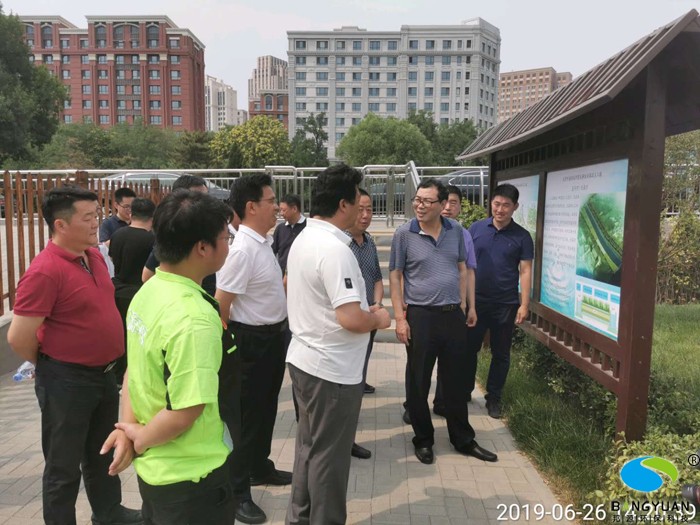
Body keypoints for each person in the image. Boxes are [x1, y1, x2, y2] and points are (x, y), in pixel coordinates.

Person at [8, 185, 141, 525]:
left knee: (102, 454)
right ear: (61, 225)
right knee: (63, 466)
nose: (96, 222)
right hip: (66, 381)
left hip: (103, 374)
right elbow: (18, 336)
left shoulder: (93, 255)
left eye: (96, 215)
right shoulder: (44, 271)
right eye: (88, 217)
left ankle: (109, 513)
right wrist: (51, 365)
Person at [112, 190, 235, 524]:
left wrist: (128, 428)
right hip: (191, 479)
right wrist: (137, 438)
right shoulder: (192, 317)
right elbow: (186, 410)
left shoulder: (149, 291)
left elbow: (132, 372)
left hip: (156, 472)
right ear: (202, 248)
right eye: (226, 236)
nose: (229, 243)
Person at [285, 164, 390, 525]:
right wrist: (378, 317)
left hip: (306, 360)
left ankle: (299, 518)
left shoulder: (305, 238)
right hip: (330, 372)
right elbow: (351, 319)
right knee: (330, 459)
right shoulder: (334, 249)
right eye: (357, 201)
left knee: (309, 451)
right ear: (343, 204)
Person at [389, 178, 496, 465]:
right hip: (421, 317)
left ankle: (463, 439)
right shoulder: (404, 234)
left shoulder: (456, 231)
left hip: (452, 315)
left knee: (456, 382)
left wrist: (467, 305)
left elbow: (462, 268)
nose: (419, 206)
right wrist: (400, 318)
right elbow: (396, 276)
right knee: (418, 381)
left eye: (426, 201)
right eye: (417, 200)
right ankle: (423, 440)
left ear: (442, 204)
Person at [215, 174, 291, 525]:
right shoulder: (241, 250)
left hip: (273, 340)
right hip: (250, 343)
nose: (276, 206)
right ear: (250, 207)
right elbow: (221, 306)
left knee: (265, 410)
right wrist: (232, 350)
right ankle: (238, 491)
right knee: (245, 419)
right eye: (271, 200)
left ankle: (260, 467)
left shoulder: (262, 242)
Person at [466, 183, 534, 419]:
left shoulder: (522, 237)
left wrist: (524, 304)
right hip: (475, 302)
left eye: (506, 205)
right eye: (496, 204)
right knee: (468, 349)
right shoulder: (475, 229)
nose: (500, 209)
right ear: (490, 204)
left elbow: (525, 271)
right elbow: (464, 265)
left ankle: (494, 397)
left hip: (505, 304)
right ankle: (465, 391)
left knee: (501, 353)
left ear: (515, 207)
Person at [432, 185, 478, 415]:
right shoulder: (416, 230)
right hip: (425, 308)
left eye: (454, 203)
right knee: (419, 363)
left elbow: (468, 271)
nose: (449, 208)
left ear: (460, 207)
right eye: (445, 202)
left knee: (449, 360)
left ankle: (442, 402)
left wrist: (470, 306)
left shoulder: (462, 234)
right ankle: (413, 406)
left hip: (453, 308)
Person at [345, 188, 383, 460]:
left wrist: (378, 304)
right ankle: (341, 440)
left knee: (357, 381)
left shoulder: (369, 242)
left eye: (370, 209)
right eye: (360, 209)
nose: (366, 215)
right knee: (346, 385)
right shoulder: (339, 245)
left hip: (368, 320)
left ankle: (348, 438)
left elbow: (378, 278)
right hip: (347, 324)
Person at [142, 175, 217, 296]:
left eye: (206, 197)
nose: (206, 203)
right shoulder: (172, 235)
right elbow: (147, 275)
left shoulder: (207, 229)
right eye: (198, 198)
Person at [108, 197, 156, 386]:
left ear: (131, 213)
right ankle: (135, 378)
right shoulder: (151, 239)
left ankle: (119, 377)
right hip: (140, 294)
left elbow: (112, 259)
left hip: (117, 290)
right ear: (152, 217)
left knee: (121, 336)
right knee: (139, 338)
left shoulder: (117, 235)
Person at [272, 193, 306, 275]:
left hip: (303, 276)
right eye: (280, 210)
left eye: (284, 210)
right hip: (282, 277)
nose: (281, 213)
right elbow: (271, 252)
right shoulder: (280, 229)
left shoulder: (308, 227)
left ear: (294, 209)